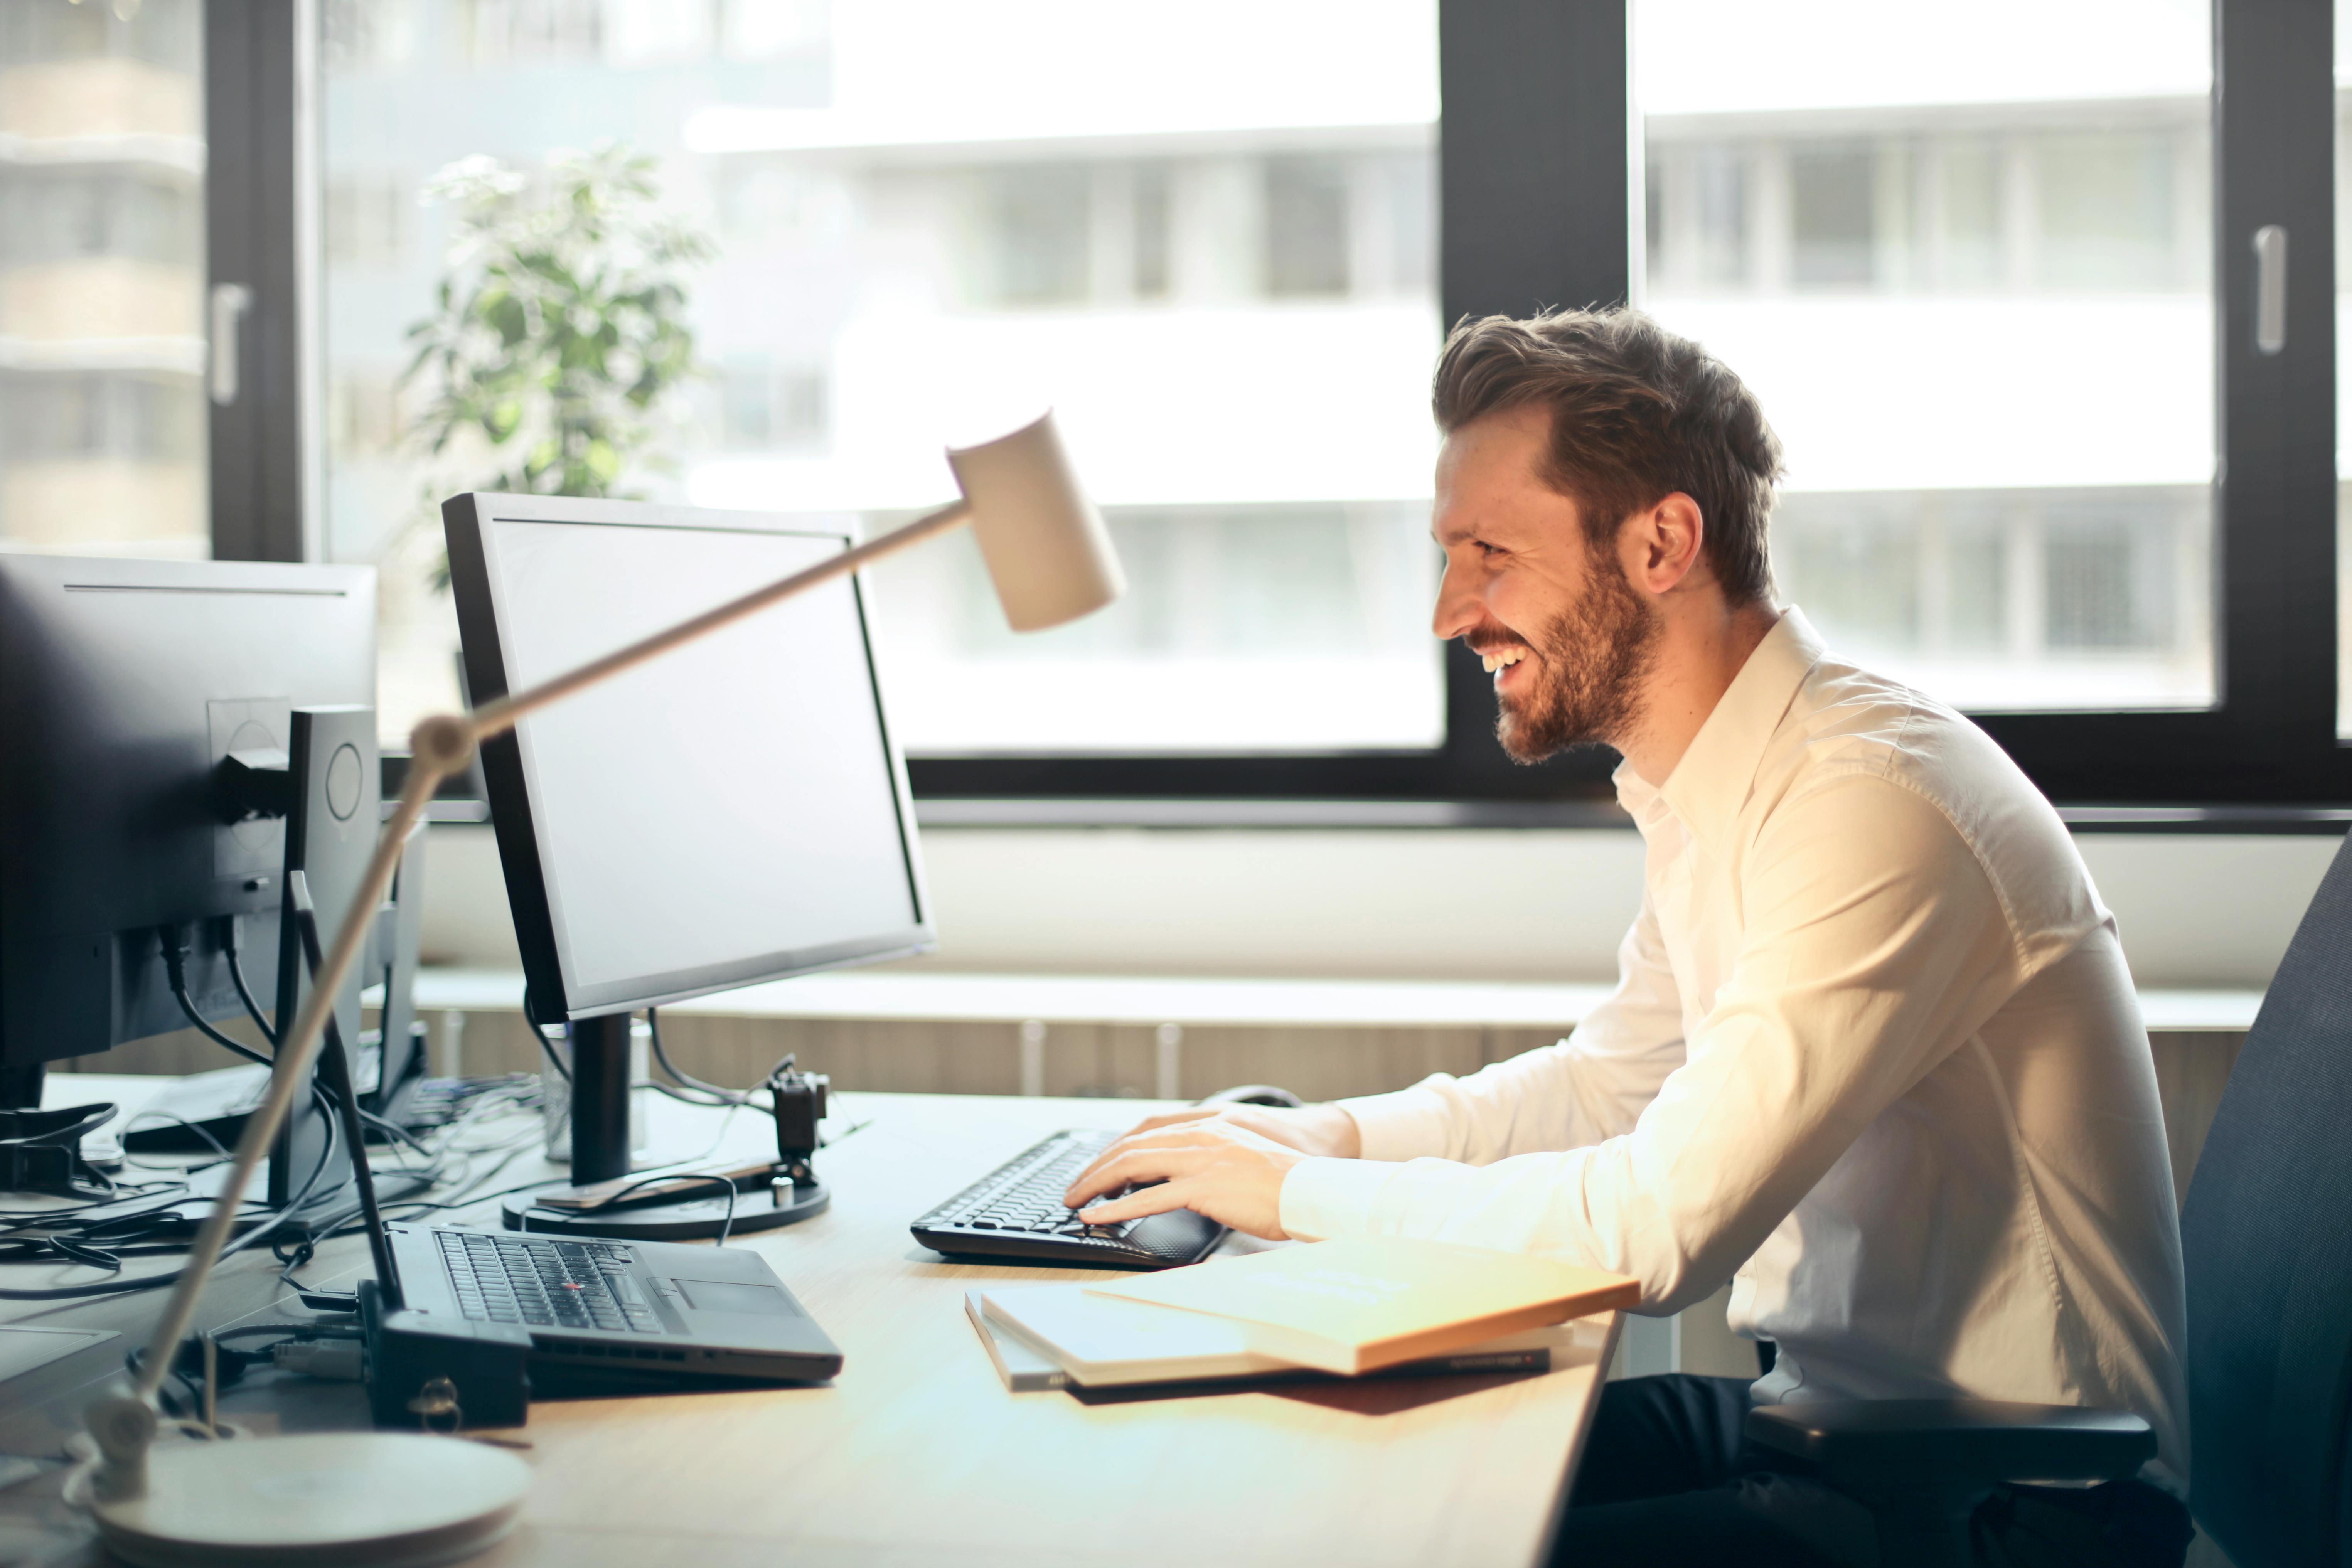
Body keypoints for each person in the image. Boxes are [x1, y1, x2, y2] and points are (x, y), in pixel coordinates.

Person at [1063, 308, 2194, 1568]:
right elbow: (1610, 1087)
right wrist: (1320, 1137)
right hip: (1830, 1435)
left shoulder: (1871, 802)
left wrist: (1291, 1195)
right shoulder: (1715, 783)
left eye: (1489, 551)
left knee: (1385, 1538)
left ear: (1662, 541)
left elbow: (1659, 1228)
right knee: (1311, 1478)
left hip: (2008, 1508)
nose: (1450, 611)